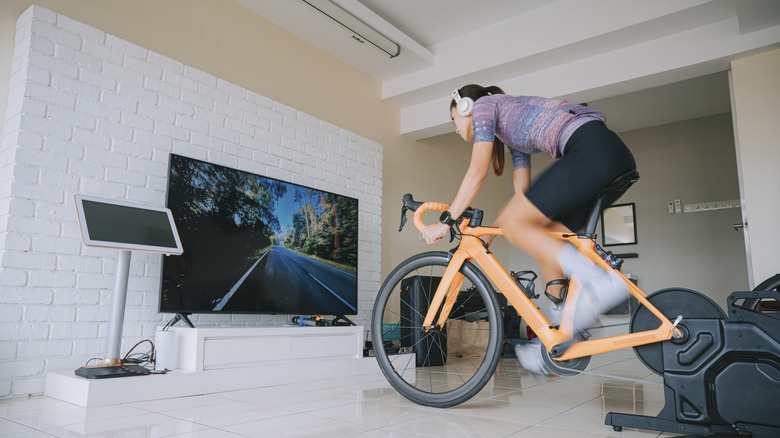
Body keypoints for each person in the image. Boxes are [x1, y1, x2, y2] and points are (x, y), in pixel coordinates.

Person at [421, 84, 636, 374]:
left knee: (521, 224)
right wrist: (492, 232)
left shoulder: (485, 107)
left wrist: (446, 221)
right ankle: (562, 335)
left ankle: (598, 281)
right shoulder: (512, 134)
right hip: (612, 155)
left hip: (590, 148)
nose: (455, 128)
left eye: (453, 120)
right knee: (543, 229)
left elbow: (477, 171)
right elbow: (523, 198)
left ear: (465, 108)